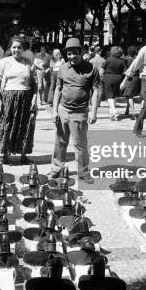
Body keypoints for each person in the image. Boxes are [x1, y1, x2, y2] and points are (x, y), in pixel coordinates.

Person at [51, 38, 100, 185]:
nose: (71, 57)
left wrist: (94, 112)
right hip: (63, 110)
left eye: (74, 53)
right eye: (69, 54)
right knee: (60, 141)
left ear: (81, 52)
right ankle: (57, 168)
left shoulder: (92, 69)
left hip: (80, 112)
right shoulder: (63, 68)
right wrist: (54, 111)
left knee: (80, 145)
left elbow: (96, 91)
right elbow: (58, 89)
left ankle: (83, 172)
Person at [0, 38, 38, 164]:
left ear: (23, 49)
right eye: (14, 47)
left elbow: (35, 84)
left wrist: (34, 100)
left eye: (19, 47)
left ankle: (23, 156)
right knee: (6, 126)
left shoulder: (28, 62)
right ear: (10, 48)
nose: (16, 50)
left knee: (25, 127)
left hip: (25, 98)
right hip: (8, 98)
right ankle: (5, 156)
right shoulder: (4, 62)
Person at [102, 46, 126, 121]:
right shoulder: (122, 61)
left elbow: (102, 69)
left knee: (109, 96)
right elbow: (125, 72)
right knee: (114, 95)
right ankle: (112, 112)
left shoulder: (108, 60)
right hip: (118, 78)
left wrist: (102, 77)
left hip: (108, 78)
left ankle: (114, 109)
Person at [122, 46, 140, 119]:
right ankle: (127, 109)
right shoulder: (138, 59)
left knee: (129, 96)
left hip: (130, 79)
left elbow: (125, 71)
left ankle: (133, 112)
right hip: (138, 78)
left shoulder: (126, 60)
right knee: (130, 95)